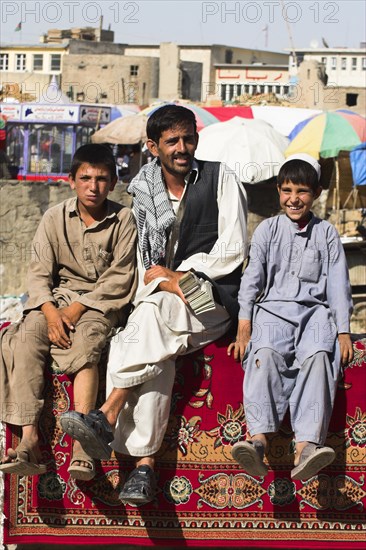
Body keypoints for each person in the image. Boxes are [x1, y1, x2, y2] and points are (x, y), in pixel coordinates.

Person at [60, 104, 248, 504]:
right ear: (152, 146)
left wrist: (179, 277)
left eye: (188, 138)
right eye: (172, 141)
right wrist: (164, 282)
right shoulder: (143, 191)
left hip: (212, 296)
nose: (183, 147)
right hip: (162, 298)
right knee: (157, 341)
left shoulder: (221, 178)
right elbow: (145, 264)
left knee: (148, 322)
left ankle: (107, 413)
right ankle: (143, 470)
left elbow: (233, 250)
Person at [0, 143, 137, 480]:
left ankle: (82, 447)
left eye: (102, 179)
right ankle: (29, 439)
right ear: (71, 180)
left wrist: (76, 310)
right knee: (24, 338)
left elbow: (120, 278)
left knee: (87, 345)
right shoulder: (54, 217)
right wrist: (49, 312)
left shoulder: (123, 219)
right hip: (55, 301)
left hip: (98, 304)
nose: (94, 186)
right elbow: (38, 273)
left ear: (114, 181)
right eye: (86, 178)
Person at [228, 153, 354, 480]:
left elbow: (339, 284)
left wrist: (342, 331)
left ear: (316, 194)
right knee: (265, 355)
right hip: (272, 311)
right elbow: (252, 280)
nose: (294, 199)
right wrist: (244, 324)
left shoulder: (326, 233)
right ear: (278, 192)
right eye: (287, 191)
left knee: (318, 359)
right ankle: (257, 442)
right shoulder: (268, 230)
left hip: (315, 315)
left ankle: (307, 449)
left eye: (302, 191)